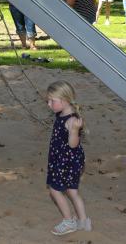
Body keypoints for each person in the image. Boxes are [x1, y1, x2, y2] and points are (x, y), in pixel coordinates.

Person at [44, 80, 89, 235]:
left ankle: (69, 221)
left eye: (52, 101)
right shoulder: (62, 113)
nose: (49, 104)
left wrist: (75, 130)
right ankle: (83, 221)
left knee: (55, 190)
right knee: (72, 191)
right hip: (62, 160)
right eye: (48, 100)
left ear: (65, 100)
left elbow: (73, 144)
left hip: (66, 162)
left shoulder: (71, 120)